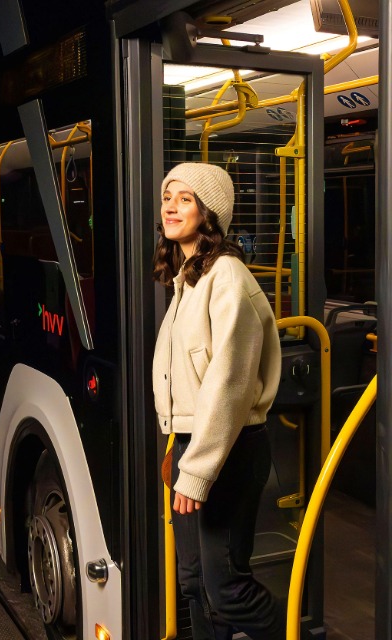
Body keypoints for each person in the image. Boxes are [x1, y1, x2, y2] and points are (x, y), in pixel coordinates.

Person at [152, 162, 285, 640]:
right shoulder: (188, 277)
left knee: (226, 586)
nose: (170, 206)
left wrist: (198, 468)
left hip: (228, 450)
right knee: (194, 584)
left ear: (209, 213)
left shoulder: (227, 277)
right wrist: (177, 446)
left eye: (185, 198)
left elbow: (227, 386)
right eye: (168, 196)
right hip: (193, 444)